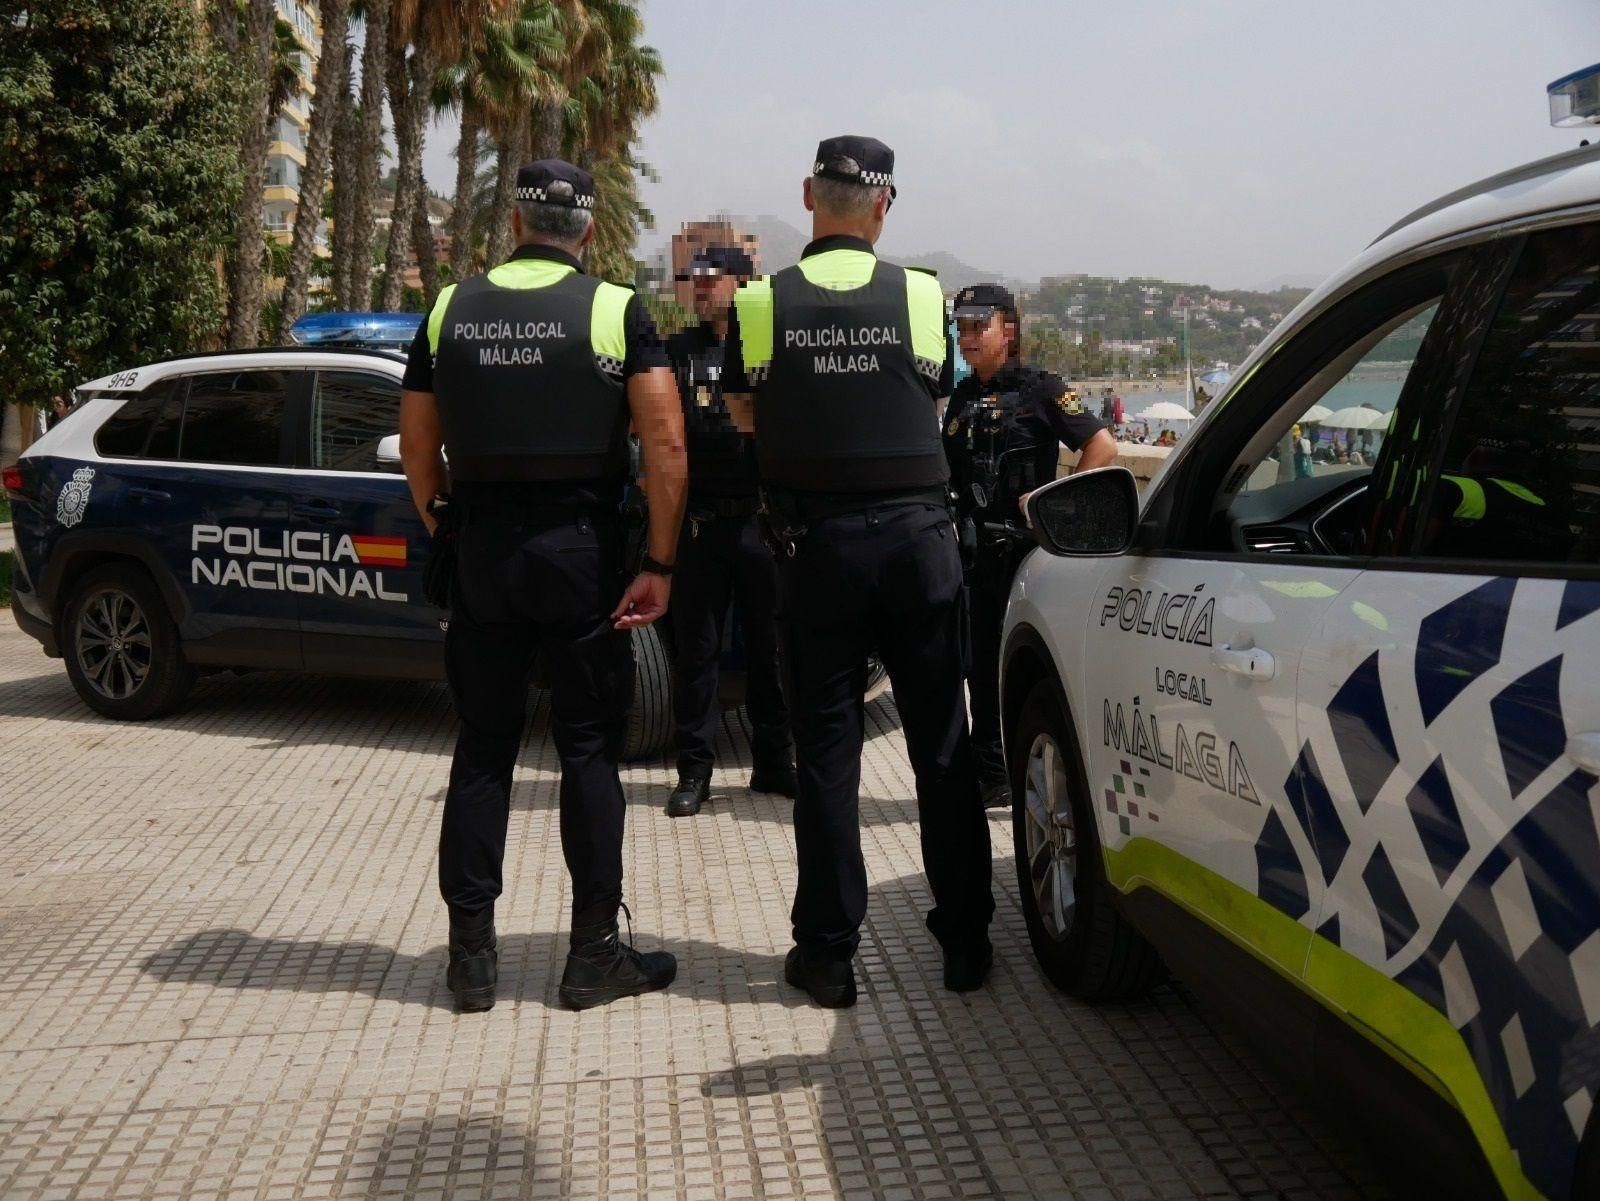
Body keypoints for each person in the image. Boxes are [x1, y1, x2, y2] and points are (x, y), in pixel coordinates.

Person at [399, 159, 688, 1013]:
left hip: (486, 551)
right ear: (588, 231)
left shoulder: (450, 308)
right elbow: (667, 450)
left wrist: (447, 528)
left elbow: (418, 447)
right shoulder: (611, 308)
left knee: (483, 746)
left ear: (515, 224)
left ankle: (472, 958)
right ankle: (592, 952)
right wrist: (660, 565)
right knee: (588, 748)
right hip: (582, 554)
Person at [721, 135, 995, 1007]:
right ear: (885, 205)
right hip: (920, 543)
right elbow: (937, 393)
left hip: (817, 548)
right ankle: (965, 941)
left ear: (809, 195)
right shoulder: (922, 294)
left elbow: (742, 412)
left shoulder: (759, 301)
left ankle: (830, 952)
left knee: (829, 758)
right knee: (941, 749)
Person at [945, 283, 1116, 809]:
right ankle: (990, 772)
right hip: (973, 554)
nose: (968, 337)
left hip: (1024, 555)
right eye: (963, 327)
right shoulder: (963, 397)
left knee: (1021, 666)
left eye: (980, 326)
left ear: (1008, 330)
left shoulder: (1043, 389)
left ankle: (1024, 769)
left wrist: (1051, 505)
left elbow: (1102, 446)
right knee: (976, 666)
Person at [664, 244, 795, 817]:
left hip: (759, 523)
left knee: (771, 651)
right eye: (693, 280)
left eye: (710, 279)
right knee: (696, 656)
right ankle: (694, 772)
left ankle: (772, 765)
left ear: (743, 285)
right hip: (701, 526)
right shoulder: (675, 352)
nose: (699, 288)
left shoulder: (769, 348)